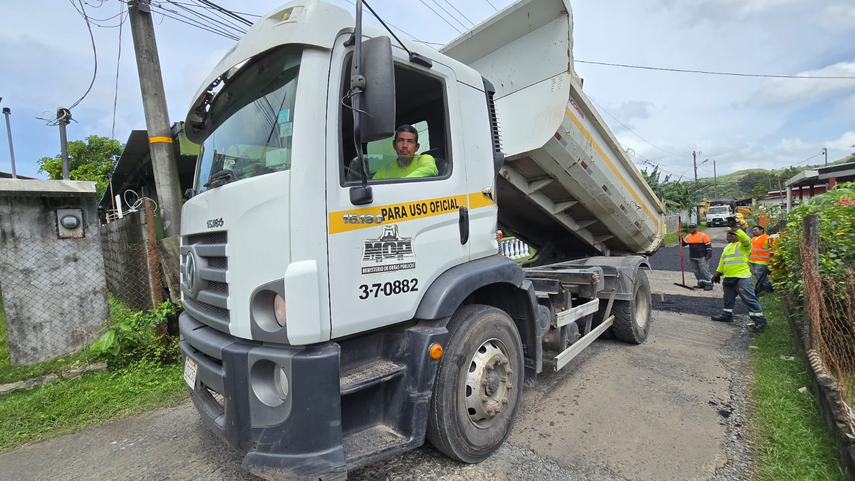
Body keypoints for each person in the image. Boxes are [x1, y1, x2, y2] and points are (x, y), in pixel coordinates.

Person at [710, 227, 767, 332]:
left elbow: (745, 239)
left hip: (742, 277)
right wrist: (717, 274)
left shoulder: (744, 245)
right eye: (728, 233)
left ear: (738, 235)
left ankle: (760, 320)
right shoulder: (727, 247)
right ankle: (727, 315)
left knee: (749, 299)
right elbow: (722, 262)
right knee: (728, 298)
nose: (729, 235)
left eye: (732, 233)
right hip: (728, 276)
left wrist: (736, 229)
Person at [373, 125, 438, 180]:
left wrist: (402, 181)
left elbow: (431, 170)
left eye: (410, 141)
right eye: (400, 140)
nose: (405, 145)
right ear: (394, 145)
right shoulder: (385, 171)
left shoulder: (424, 159)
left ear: (417, 147)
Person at [681, 223, 713, 290]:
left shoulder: (703, 236)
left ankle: (709, 284)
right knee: (696, 271)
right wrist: (680, 237)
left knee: (704, 270)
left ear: (696, 228)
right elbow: (683, 244)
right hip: (693, 257)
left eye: (692, 228)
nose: (691, 229)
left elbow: (708, 246)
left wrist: (708, 254)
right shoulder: (688, 237)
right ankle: (700, 283)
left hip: (702, 257)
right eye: (690, 228)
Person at [749, 225, 773, 293]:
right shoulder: (753, 239)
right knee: (757, 275)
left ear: (761, 230)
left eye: (755, 230)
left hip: (762, 261)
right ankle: (762, 287)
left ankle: (768, 288)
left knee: (760, 275)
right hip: (753, 261)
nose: (754, 231)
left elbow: (773, 248)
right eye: (753, 230)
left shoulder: (767, 238)